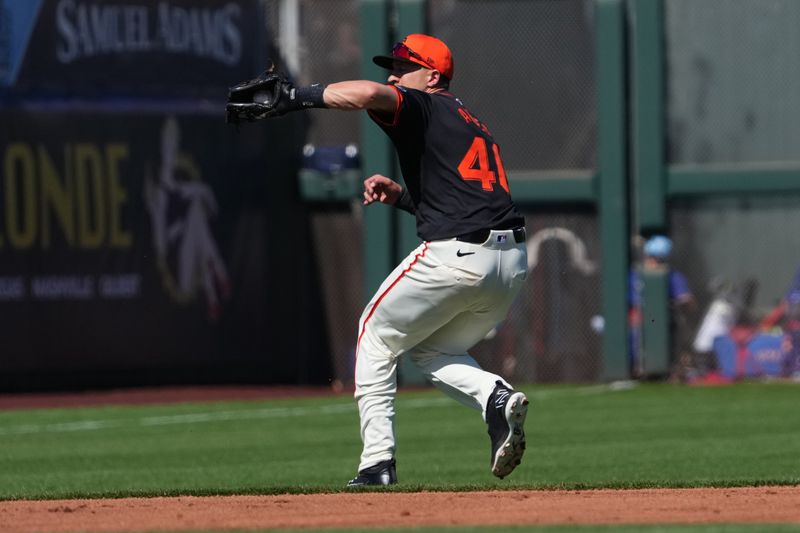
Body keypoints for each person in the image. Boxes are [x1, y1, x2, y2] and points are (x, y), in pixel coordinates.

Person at [249, 34, 530, 485]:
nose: (394, 75)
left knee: (374, 335)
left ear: (432, 76)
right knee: (430, 348)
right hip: (508, 263)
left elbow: (366, 94)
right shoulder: (469, 120)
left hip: (456, 256)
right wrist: (402, 196)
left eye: (404, 66)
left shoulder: (422, 103)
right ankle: (495, 395)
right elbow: (462, 200)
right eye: (392, 66)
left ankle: (377, 462)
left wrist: (295, 97)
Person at [628, 235, 696, 379]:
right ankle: (636, 370)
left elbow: (688, 302)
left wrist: (678, 303)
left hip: (662, 320)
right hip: (637, 319)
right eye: (651, 257)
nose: (653, 262)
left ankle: (667, 370)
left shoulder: (673, 276)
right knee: (635, 331)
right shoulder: (634, 275)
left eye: (658, 259)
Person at [759, 265, 800, 378]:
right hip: (792, 325)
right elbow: (787, 302)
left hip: (792, 320)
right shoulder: (794, 294)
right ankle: (789, 370)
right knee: (791, 343)